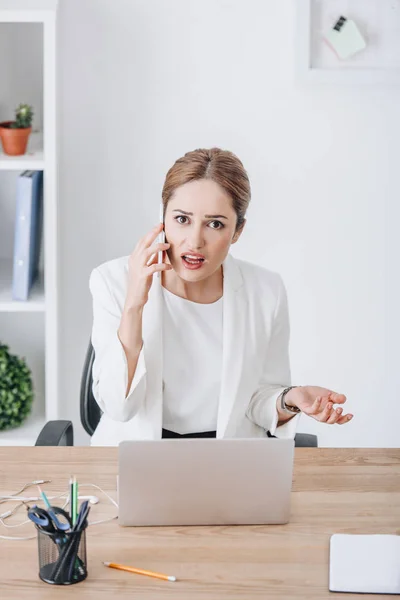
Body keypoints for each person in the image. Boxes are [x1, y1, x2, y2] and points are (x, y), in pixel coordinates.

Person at [89, 148, 353, 446]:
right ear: (162, 218)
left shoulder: (266, 291)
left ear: (237, 230)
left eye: (215, 224)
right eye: (182, 219)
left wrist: (289, 399)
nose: (195, 241)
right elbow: (118, 407)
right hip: (135, 456)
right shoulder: (113, 281)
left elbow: (257, 399)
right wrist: (134, 303)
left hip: (229, 457)